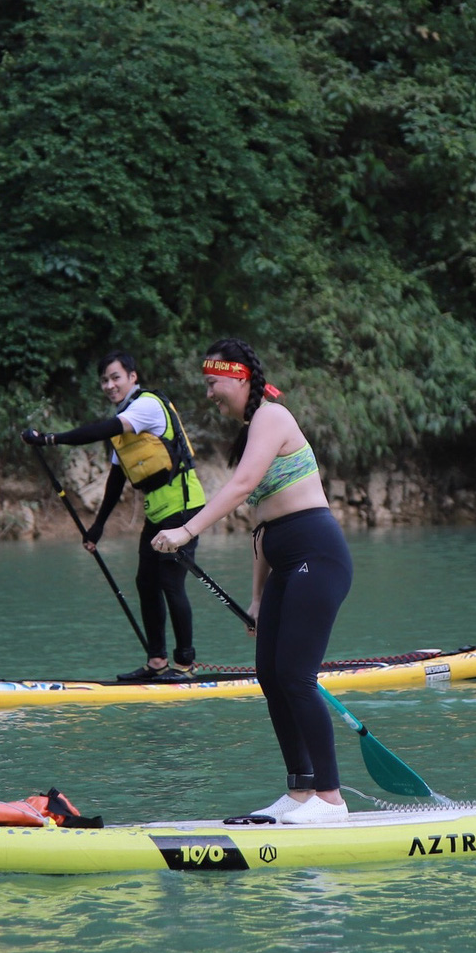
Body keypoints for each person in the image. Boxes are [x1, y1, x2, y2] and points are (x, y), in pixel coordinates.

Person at [150, 339, 350, 825]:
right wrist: (258, 598)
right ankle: (301, 792)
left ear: (238, 377)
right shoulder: (251, 432)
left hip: (318, 556)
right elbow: (260, 526)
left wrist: (186, 530)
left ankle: (332, 799)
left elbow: (240, 489)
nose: (210, 394)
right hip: (285, 563)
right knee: (269, 673)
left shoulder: (273, 417)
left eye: (213, 383)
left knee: (297, 677)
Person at [23, 351, 205, 680]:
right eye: (104, 380)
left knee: (170, 582)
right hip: (158, 510)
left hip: (184, 506)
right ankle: (157, 663)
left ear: (132, 377)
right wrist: (97, 528)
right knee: (146, 582)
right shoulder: (124, 423)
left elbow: (101, 429)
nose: (109, 385)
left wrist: (51, 439)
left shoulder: (145, 407)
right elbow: (116, 479)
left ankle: (185, 665)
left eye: (115, 377)